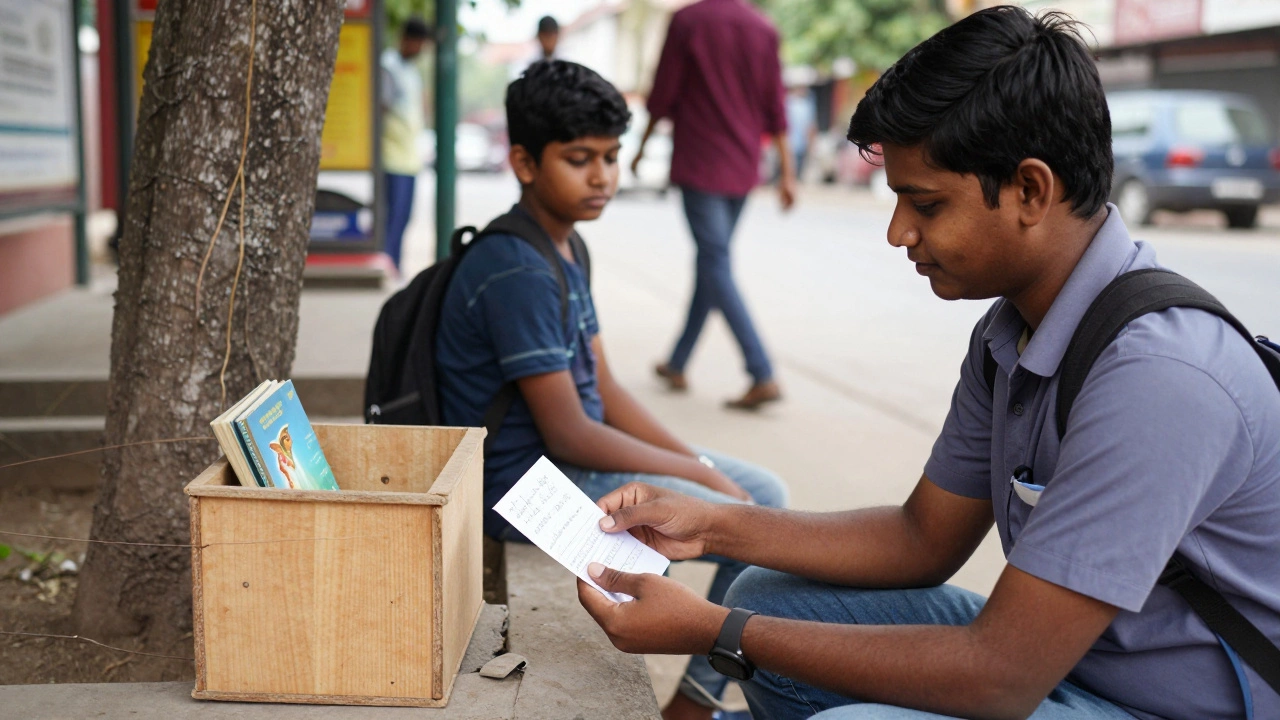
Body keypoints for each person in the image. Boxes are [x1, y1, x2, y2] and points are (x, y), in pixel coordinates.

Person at [576, 7, 1280, 720]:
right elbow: (920, 538)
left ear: (1031, 190)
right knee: (764, 593)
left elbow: (999, 677)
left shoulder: (1161, 380)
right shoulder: (1010, 332)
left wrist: (713, 630)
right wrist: (711, 523)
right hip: (1068, 670)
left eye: (926, 203)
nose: (898, 232)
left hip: (1155, 704)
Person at [434, 60, 789, 719]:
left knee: (755, 497)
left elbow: (603, 385)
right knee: (756, 504)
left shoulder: (566, 247)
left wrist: (700, 465)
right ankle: (696, 704)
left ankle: (700, 695)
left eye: (611, 157)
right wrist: (703, 479)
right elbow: (571, 429)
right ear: (524, 162)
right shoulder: (515, 268)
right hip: (524, 490)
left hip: (570, 463)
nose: (602, 176)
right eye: (579, 158)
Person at [634, 0, 795, 411]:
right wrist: (788, 173)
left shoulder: (687, 21)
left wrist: (641, 146)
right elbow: (775, 106)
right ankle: (677, 362)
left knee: (715, 261)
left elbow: (663, 93)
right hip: (742, 167)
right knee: (713, 261)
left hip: (700, 161)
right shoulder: (763, 29)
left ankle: (761, 372)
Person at [380, 16, 432, 272]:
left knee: (403, 220)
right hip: (391, 158)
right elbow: (382, 108)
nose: (420, 50)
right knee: (392, 220)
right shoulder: (388, 67)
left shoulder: (411, 70)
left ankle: (395, 267)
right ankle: (389, 268)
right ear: (407, 40)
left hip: (409, 158)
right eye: (418, 43)